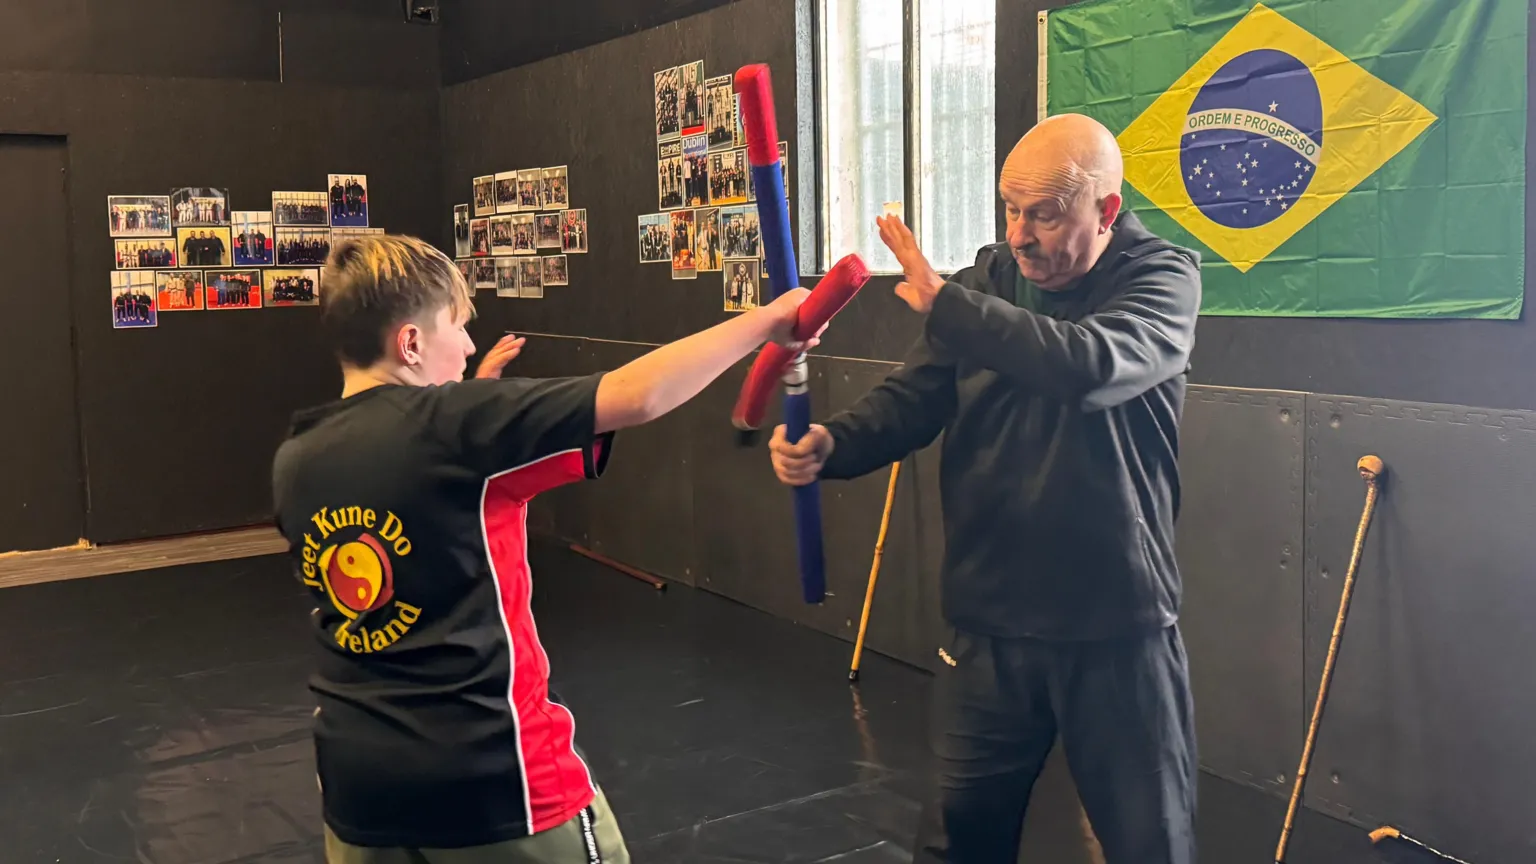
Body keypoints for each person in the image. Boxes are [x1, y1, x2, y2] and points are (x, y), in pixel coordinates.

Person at [271, 234, 821, 864]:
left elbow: (415, 481)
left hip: (357, 793)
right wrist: (768, 322)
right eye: (458, 324)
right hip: (491, 783)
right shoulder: (457, 425)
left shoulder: (295, 458)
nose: (472, 344)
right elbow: (636, 396)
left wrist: (480, 398)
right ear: (412, 343)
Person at [768, 113, 1203, 864]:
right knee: (957, 841)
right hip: (992, 619)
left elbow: (1090, 367)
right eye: (1011, 209)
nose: (1022, 233)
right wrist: (832, 445)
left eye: (1045, 213)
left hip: (1115, 621)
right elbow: (916, 397)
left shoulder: (1160, 280)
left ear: (1105, 210)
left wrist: (952, 307)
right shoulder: (985, 284)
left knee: (1149, 844)